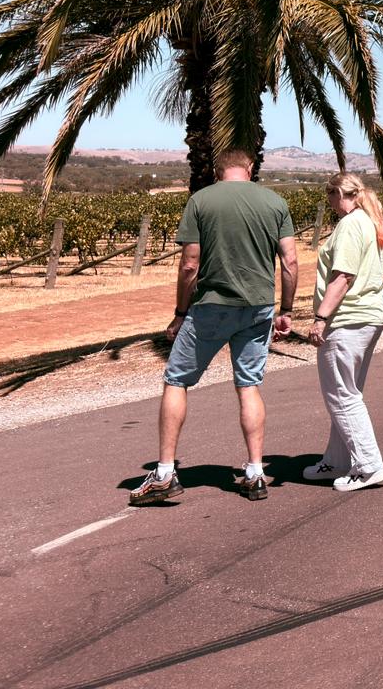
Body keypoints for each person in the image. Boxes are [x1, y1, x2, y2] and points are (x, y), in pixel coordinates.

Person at [128, 149, 298, 504]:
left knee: (176, 380)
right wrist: (285, 309)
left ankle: (164, 473)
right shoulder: (274, 202)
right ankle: (254, 472)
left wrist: (179, 311)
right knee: (249, 385)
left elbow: (190, 265)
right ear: (250, 169)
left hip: (211, 307)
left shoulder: (201, 201)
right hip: (258, 308)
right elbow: (290, 261)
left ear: (218, 172)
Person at [302, 172, 383, 492]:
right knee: (347, 392)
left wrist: (320, 317)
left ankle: (368, 465)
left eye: (329, 194)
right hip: (369, 316)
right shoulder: (372, 222)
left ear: (339, 193)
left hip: (348, 319)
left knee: (342, 395)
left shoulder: (352, 224)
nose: (327, 201)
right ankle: (338, 460)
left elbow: (343, 277)